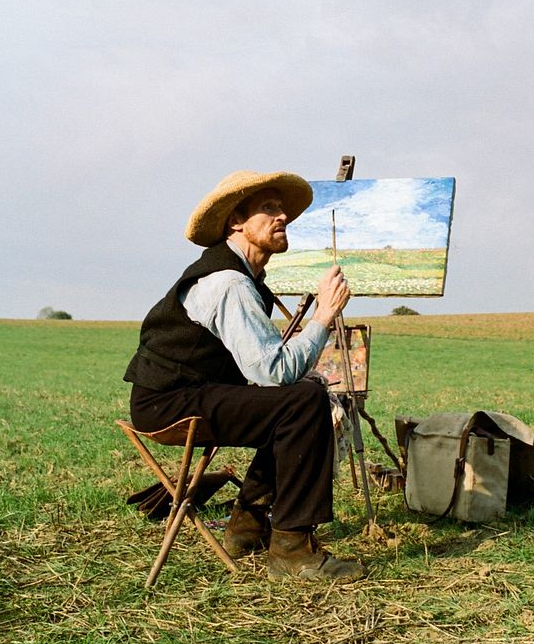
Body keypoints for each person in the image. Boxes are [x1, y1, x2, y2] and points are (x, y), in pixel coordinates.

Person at [123, 170, 365, 582]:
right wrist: (323, 315)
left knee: (297, 398)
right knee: (303, 401)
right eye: (268, 208)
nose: (282, 216)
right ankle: (292, 552)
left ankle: (247, 529)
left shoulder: (243, 277)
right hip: (169, 404)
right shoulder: (229, 282)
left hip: (180, 396)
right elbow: (274, 372)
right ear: (236, 221)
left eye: (282, 209)